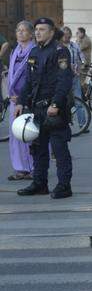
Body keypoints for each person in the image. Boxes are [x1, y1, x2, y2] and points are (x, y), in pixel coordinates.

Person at [14, 17, 74, 199]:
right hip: (37, 110)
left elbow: (64, 80)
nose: (37, 32)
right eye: (37, 29)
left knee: (59, 148)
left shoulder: (60, 51)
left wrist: (55, 104)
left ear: (51, 32)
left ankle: (64, 186)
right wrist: (20, 102)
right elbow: (28, 82)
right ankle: (40, 184)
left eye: (41, 29)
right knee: (38, 149)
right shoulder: (34, 52)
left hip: (54, 109)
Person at [7, 20, 35, 181]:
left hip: (27, 100)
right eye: (18, 30)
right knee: (16, 135)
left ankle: (33, 167)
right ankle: (20, 168)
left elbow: (34, 78)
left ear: (30, 34)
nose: (20, 33)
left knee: (30, 134)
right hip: (13, 100)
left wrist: (23, 97)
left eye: (24, 30)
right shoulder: (15, 51)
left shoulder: (34, 51)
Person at [61, 26, 87, 131]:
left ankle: (83, 125)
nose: (66, 36)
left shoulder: (75, 46)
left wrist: (82, 65)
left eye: (68, 34)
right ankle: (64, 124)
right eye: (64, 34)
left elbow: (82, 58)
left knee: (78, 100)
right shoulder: (58, 47)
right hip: (62, 79)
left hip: (74, 77)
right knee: (63, 101)